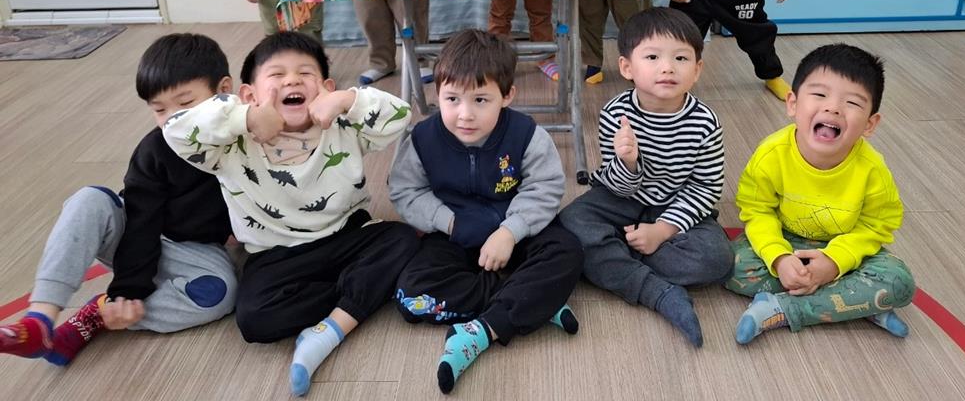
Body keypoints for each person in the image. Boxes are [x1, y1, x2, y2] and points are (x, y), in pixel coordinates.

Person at [162, 31, 419, 397]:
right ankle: (359, 292)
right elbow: (175, 129)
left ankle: (331, 329)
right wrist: (245, 118)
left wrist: (347, 101)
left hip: (349, 236)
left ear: (326, 88)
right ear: (249, 94)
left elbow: (400, 115)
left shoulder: (344, 127)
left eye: (305, 73)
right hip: (276, 254)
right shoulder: (229, 146)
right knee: (253, 319)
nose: (292, 81)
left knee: (402, 239)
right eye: (277, 74)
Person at [0, 33, 237, 365]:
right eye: (160, 110)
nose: (173, 119)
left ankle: (100, 313)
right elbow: (141, 221)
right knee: (88, 200)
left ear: (224, 90)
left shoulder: (244, 137)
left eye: (185, 104)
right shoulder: (155, 150)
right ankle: (40, 319)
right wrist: (128, 290)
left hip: (195, 248)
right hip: (135, 232)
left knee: (219, 295)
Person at [389, 29, 583, 394]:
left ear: (507, 96)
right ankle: (534, 301)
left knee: (566, 251)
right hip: (453, 234)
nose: (465, 114)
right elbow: (405, 190)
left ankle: (484, 329)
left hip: (518, 232)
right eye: (452, 99)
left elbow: (545, 187)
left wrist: (510, 232)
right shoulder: (423, 139)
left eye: (480, 99)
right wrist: (449, 222)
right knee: (411, 296)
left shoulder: (526, 134)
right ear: (437, 93)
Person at [559, 8, 732, 348]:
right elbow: (615, 186)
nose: (667, 67)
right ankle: (657, 291)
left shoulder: (705, 122)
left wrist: (662, 230)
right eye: (652, 57)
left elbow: (705, 188)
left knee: (717, 259)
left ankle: (614, 256)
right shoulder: (615, 113)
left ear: (697, 69)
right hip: (622, 199)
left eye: (681, 58)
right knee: (570, 222)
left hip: (677, 203)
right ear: (627, 67)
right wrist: (628, 163)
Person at [726, 43, 916, 344]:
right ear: (793, 103)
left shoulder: (872, 169)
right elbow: (757, 210)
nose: (833, 108)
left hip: (843, 249)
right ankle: (852, 303)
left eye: (852, 102)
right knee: (729, 265)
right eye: (819, 94)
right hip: (785, 241)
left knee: (898, 283)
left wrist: (834, 262)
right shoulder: (771, 154)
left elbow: (876, 226)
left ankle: (781, 309)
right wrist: (779, 258)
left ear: (870, 124)